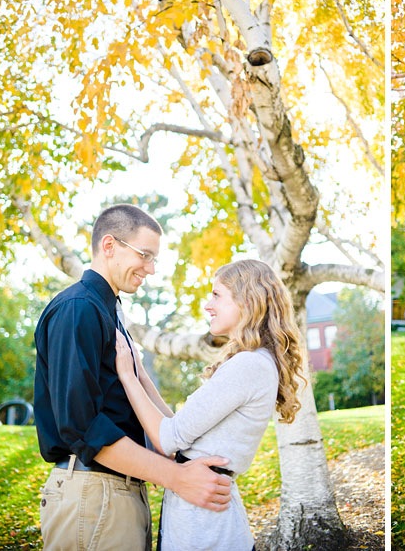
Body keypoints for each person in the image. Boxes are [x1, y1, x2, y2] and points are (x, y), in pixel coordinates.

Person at [34, 204, 232, 551]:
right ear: (109, 246)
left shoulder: (111, 309)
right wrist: (177, 478)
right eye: (145, 255)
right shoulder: (78, 308)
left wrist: (178, 451)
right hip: (93, 497)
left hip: (118, 494)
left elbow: (136, 383)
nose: (151, 269)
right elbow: (83, 428)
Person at [114, 258, 306, 551]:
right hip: (205, 515)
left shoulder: (248, 365)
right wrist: (140, 372)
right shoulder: (254, 362)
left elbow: (167, 439)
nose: (208, 305)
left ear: (247, 301)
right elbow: (178, 430)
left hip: (203, 526)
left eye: (217, 295)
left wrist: (127, 377)